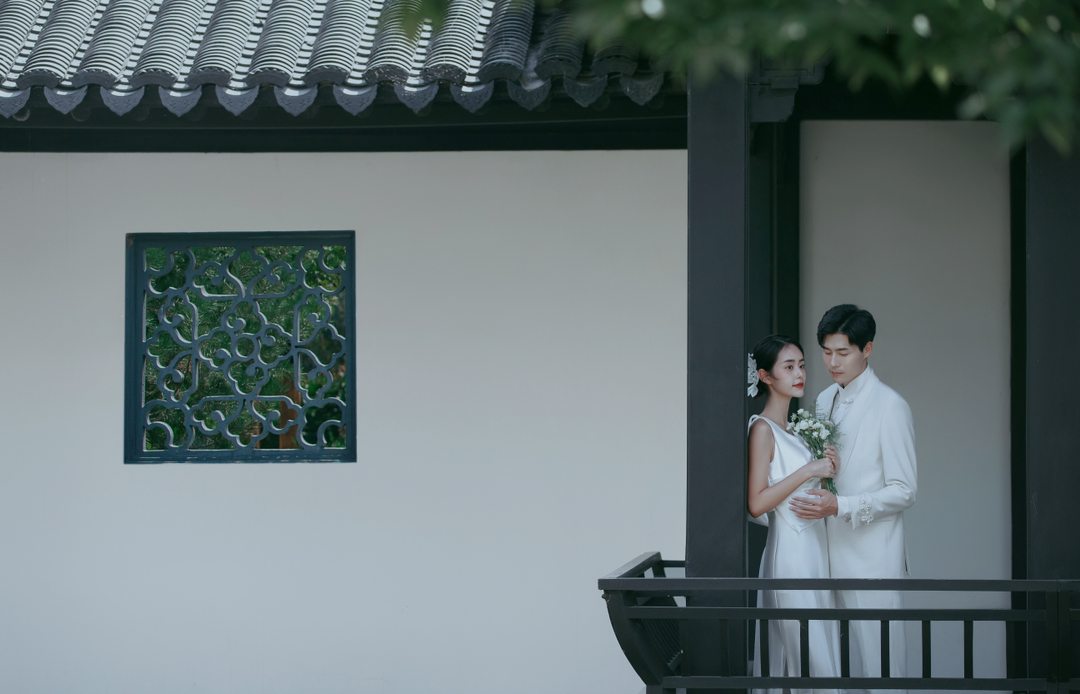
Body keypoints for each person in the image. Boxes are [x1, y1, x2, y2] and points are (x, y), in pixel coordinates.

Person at [789, 305, 917, 691]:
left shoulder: (891, 406)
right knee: (832, 668)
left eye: (843, 352)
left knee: (882, 669)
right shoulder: (824, 399)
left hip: (872, 560)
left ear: (867, 349)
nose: (832, 362)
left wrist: (841, 506)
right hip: (823, 555)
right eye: (826, 352)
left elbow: (905, 490)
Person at [747, 334, 841, 691]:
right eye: (788, 367)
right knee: (807, 656)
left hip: (814, 551)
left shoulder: (799, 432)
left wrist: (830, 468)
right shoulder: (762, 430)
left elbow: (811, 492)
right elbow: (756, 503)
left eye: (801, 365)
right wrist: (808, 470)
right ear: (766, 376)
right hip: (790, 554)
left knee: (819, 649)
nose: (799, 373)